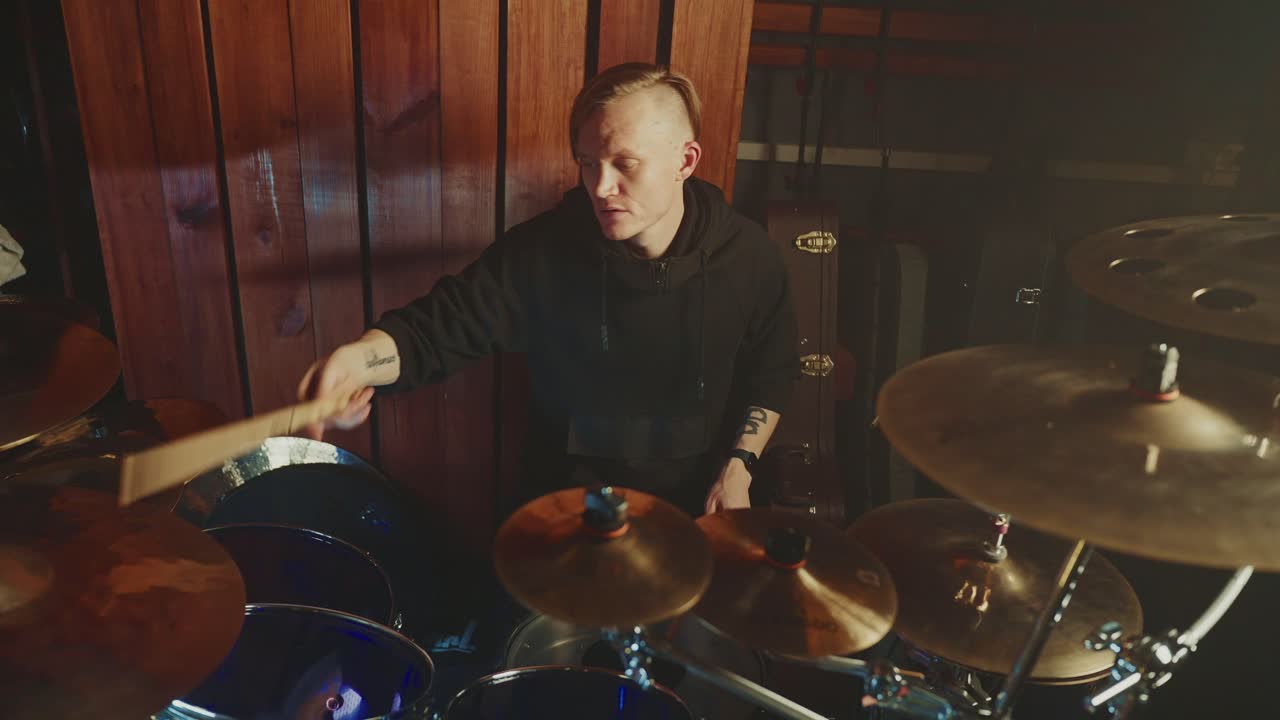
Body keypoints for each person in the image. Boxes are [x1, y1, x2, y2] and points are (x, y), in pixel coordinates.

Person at [298, 63, 799, 517]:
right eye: (588, 163)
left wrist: (740, 466)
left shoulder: (750, 258)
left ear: (685, 161)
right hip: (564, 508)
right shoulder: (545, 250)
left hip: (692, 511)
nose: (601, 187)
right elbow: (437, 330)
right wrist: (358, 361)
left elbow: (770, 374)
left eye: (625, 164)